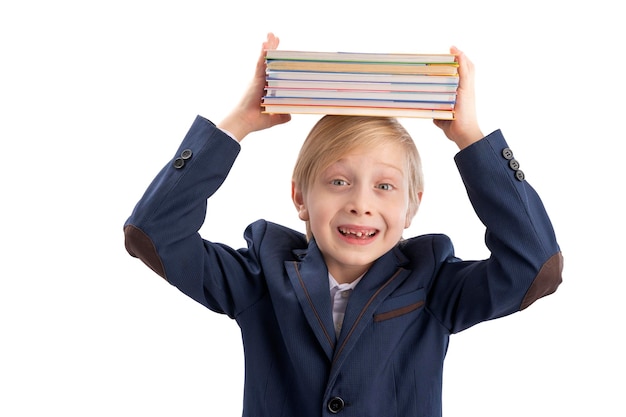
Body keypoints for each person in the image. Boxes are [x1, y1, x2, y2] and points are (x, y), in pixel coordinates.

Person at [124, 33, 563, 416]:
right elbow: (153, 233)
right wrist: (236, 124)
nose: (360, 204)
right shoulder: (259, 278)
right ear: (299, 197)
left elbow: (535, 267)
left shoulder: (433, 284)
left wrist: (472, 138)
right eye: (338, 181)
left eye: (386, 187)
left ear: (412, 208)